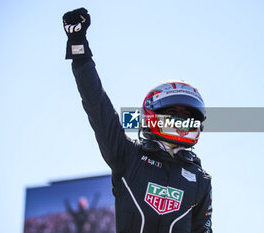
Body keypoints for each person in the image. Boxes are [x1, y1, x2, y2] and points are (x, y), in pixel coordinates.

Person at [63, 8, 212, 233]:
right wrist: (78, 46)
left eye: (188, 116)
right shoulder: (128, 156)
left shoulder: (201, 180)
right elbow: (97, 105)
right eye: (176, 113)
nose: (182, 120)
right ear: (152, 112)